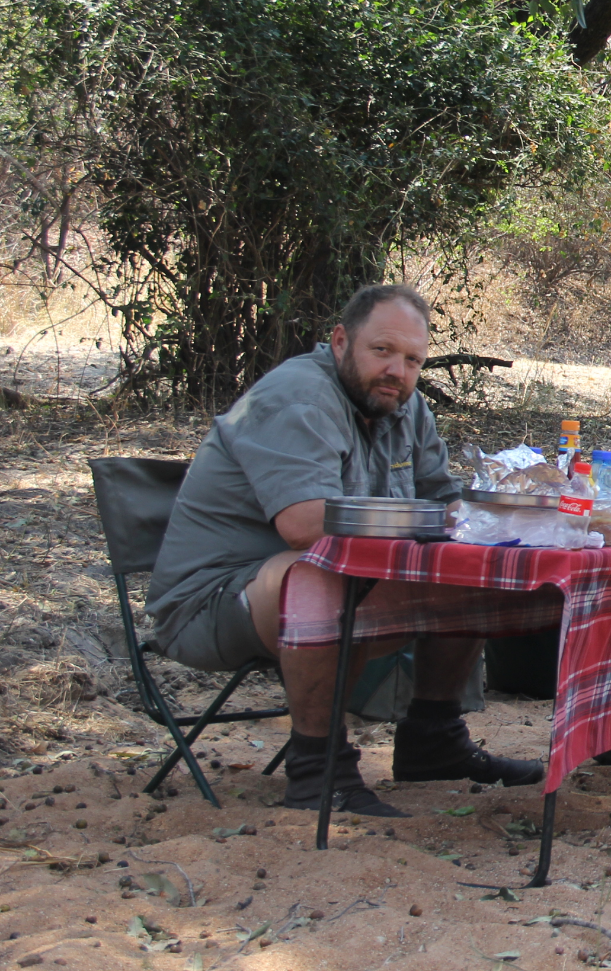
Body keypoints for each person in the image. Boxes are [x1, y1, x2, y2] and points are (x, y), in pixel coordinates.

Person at [149, 284, 542, 816]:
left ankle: (434, 739)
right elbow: (305, 526)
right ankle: (318, 771)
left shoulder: (404, 405)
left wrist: (513, 511)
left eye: (412, 360)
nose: (397, 371)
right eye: (382, 351)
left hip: (344, 587)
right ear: (340, 341)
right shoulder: (299, 397)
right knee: (323, 572)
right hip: (213, 601)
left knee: (468, 564)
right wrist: (441, 522)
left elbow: (448, 503)